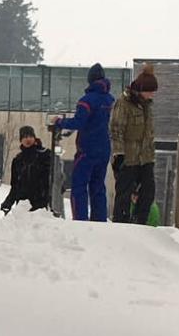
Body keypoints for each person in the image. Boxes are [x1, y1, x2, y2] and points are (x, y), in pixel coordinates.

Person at [52, 63, 114, 222]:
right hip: (104, 149)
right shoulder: (110, 100)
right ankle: (99, 220)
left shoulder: (86, 101)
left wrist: (60, 122)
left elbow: (79, 122)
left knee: (79, 186)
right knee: (98, 187)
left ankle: (80, 221)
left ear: (90, 80)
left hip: (87, 150)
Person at [112, 64, 159, 224]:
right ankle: (121, 223)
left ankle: (141, 223)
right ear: (141, 90)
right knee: (124, 195)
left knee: (148, 192)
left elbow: (149, 134)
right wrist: (119, 154)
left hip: (145, 158)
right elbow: (116, 129)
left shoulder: (147, 106)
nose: (152, 95)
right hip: (129, 158)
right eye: (150, 91)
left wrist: (151, 157)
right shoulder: (123, 104)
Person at [0, 125, 53, 214]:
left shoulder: (45, 155)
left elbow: (53, 178)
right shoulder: (18, 160)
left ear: (34, 138)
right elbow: (15, 186)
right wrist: (8, 203)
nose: (28, 139)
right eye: (24, 137)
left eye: (30, 136)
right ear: (21, 140)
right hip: (23, 206)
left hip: (41, 205)